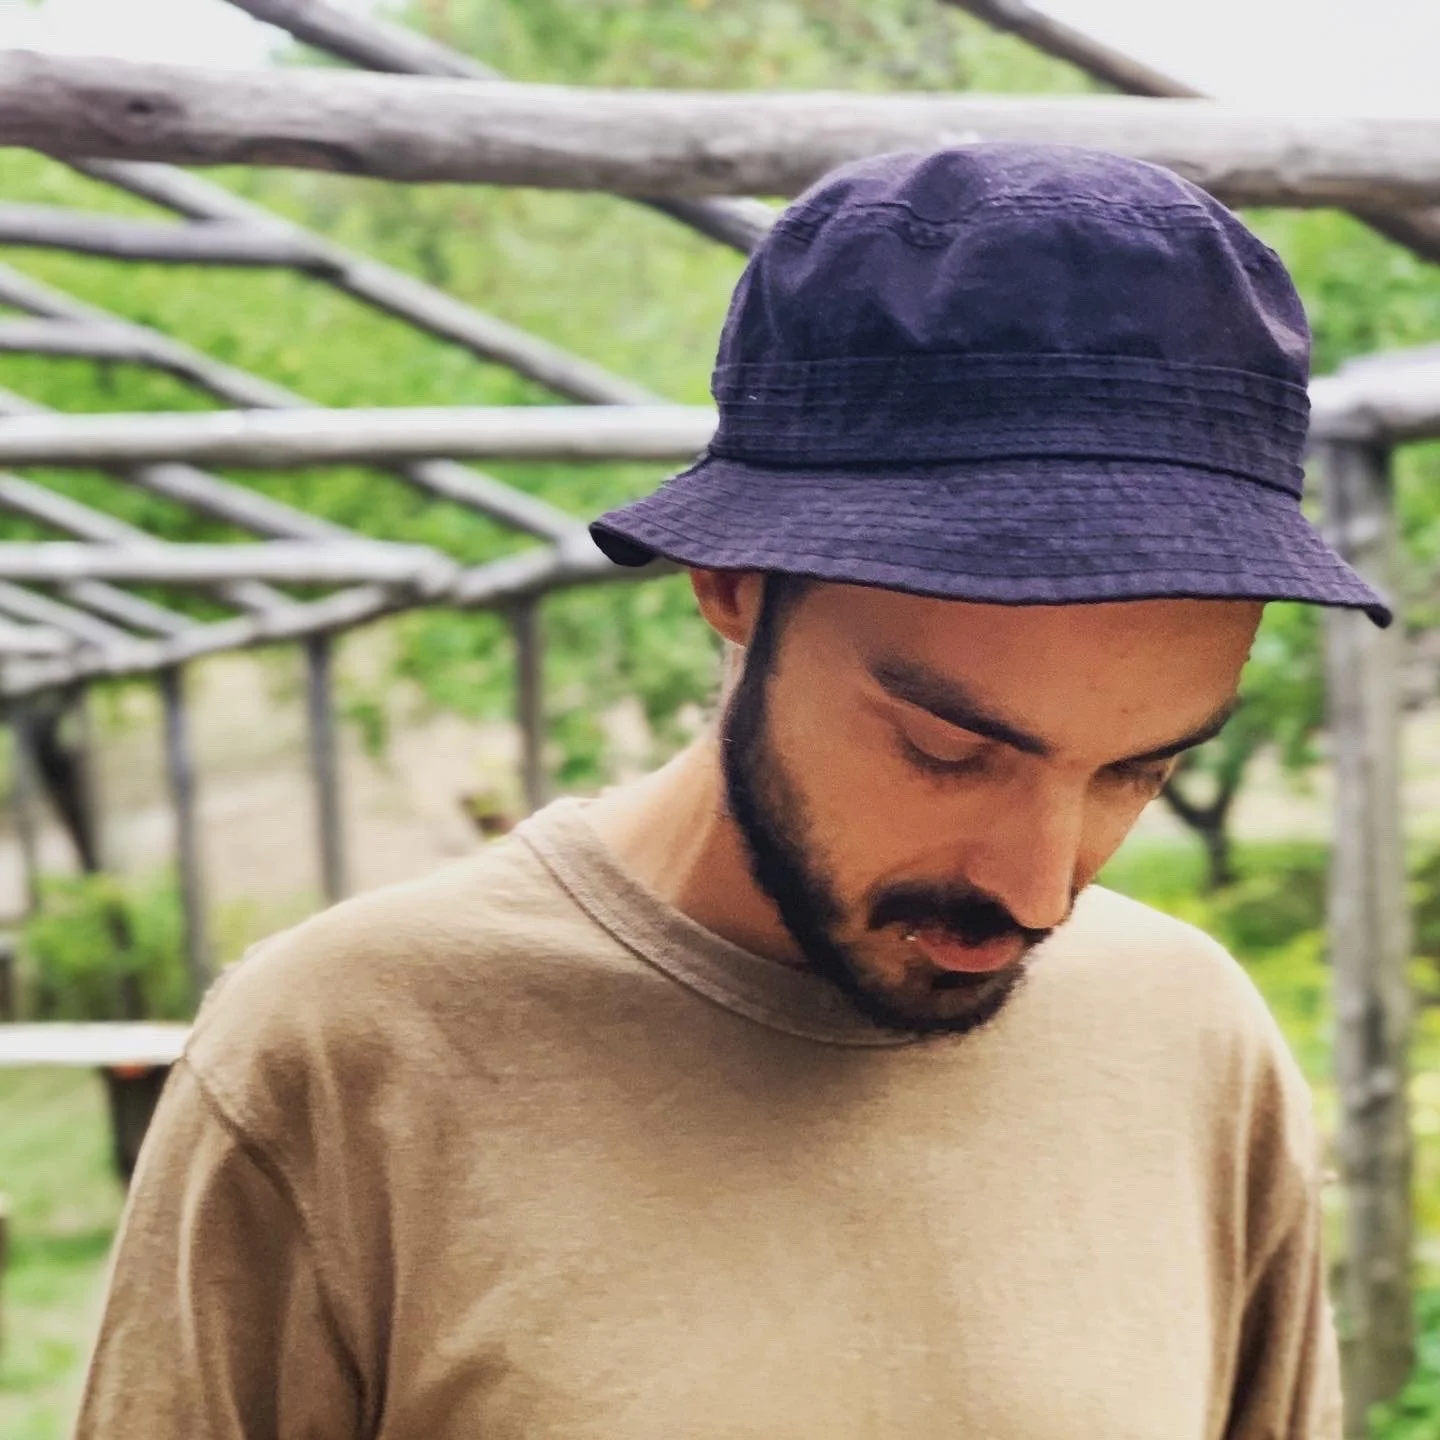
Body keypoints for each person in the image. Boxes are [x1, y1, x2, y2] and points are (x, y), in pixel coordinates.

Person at [74, 144, 1387, 1440]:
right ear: (734, 587)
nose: (1039, 891)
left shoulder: (1192, 1040)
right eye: (946, 751)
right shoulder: (349, 1053)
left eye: (1138, 771)